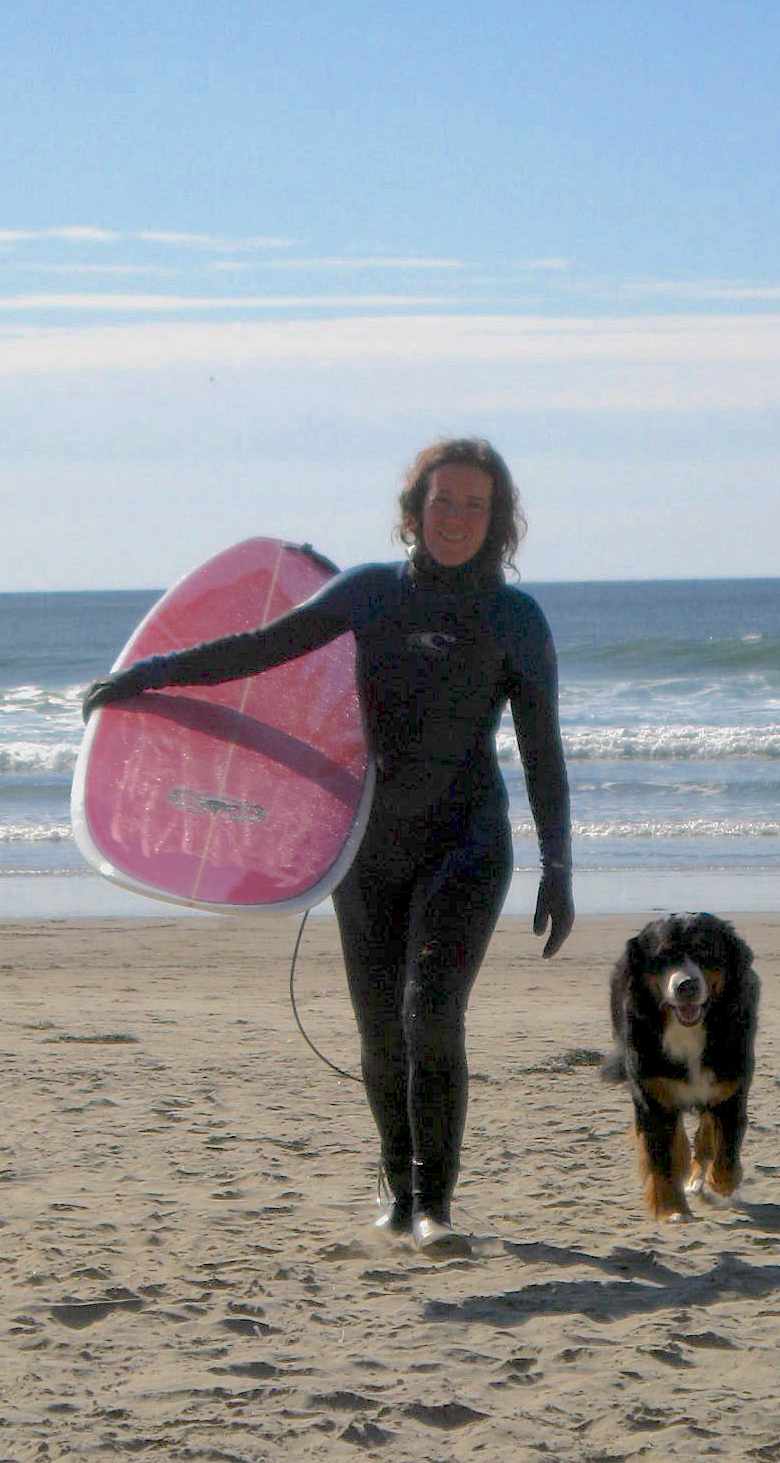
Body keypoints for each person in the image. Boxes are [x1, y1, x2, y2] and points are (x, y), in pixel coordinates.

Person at [82, 438, 572, 1252]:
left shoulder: (516, 621)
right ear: (414, 509)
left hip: (468, 841)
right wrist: (148, 673)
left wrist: (558, 866)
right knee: (379, 1028)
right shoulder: (370, 594)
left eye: (474, 505)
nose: (455, 518)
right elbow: (258, 652)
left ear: (498, 521)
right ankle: (397, 1181)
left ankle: (436, 1205)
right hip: (370, 847)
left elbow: (543, 751)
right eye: (442, 501)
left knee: (431, 1016)